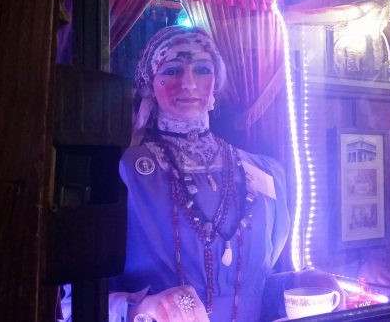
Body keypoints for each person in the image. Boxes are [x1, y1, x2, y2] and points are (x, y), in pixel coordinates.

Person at [64, 25, 291, 322]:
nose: (188, 83)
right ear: (150, 83)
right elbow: (69, 302)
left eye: (202, 69)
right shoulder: (124, 170)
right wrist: (142, 308)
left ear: (217, 82)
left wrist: (293, 285)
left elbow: (256, 286)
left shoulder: (262, 171)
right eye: (172, 71)